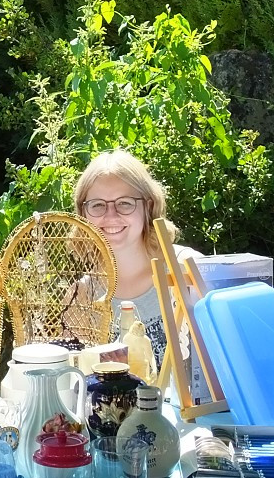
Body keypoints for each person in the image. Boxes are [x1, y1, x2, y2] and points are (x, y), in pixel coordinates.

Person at [73, 149, 198, 367]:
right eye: (97, 205)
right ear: (83, 214)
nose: (110, 216)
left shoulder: (186, 270)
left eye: (124, 203)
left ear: (148, 206)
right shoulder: (80, 296)